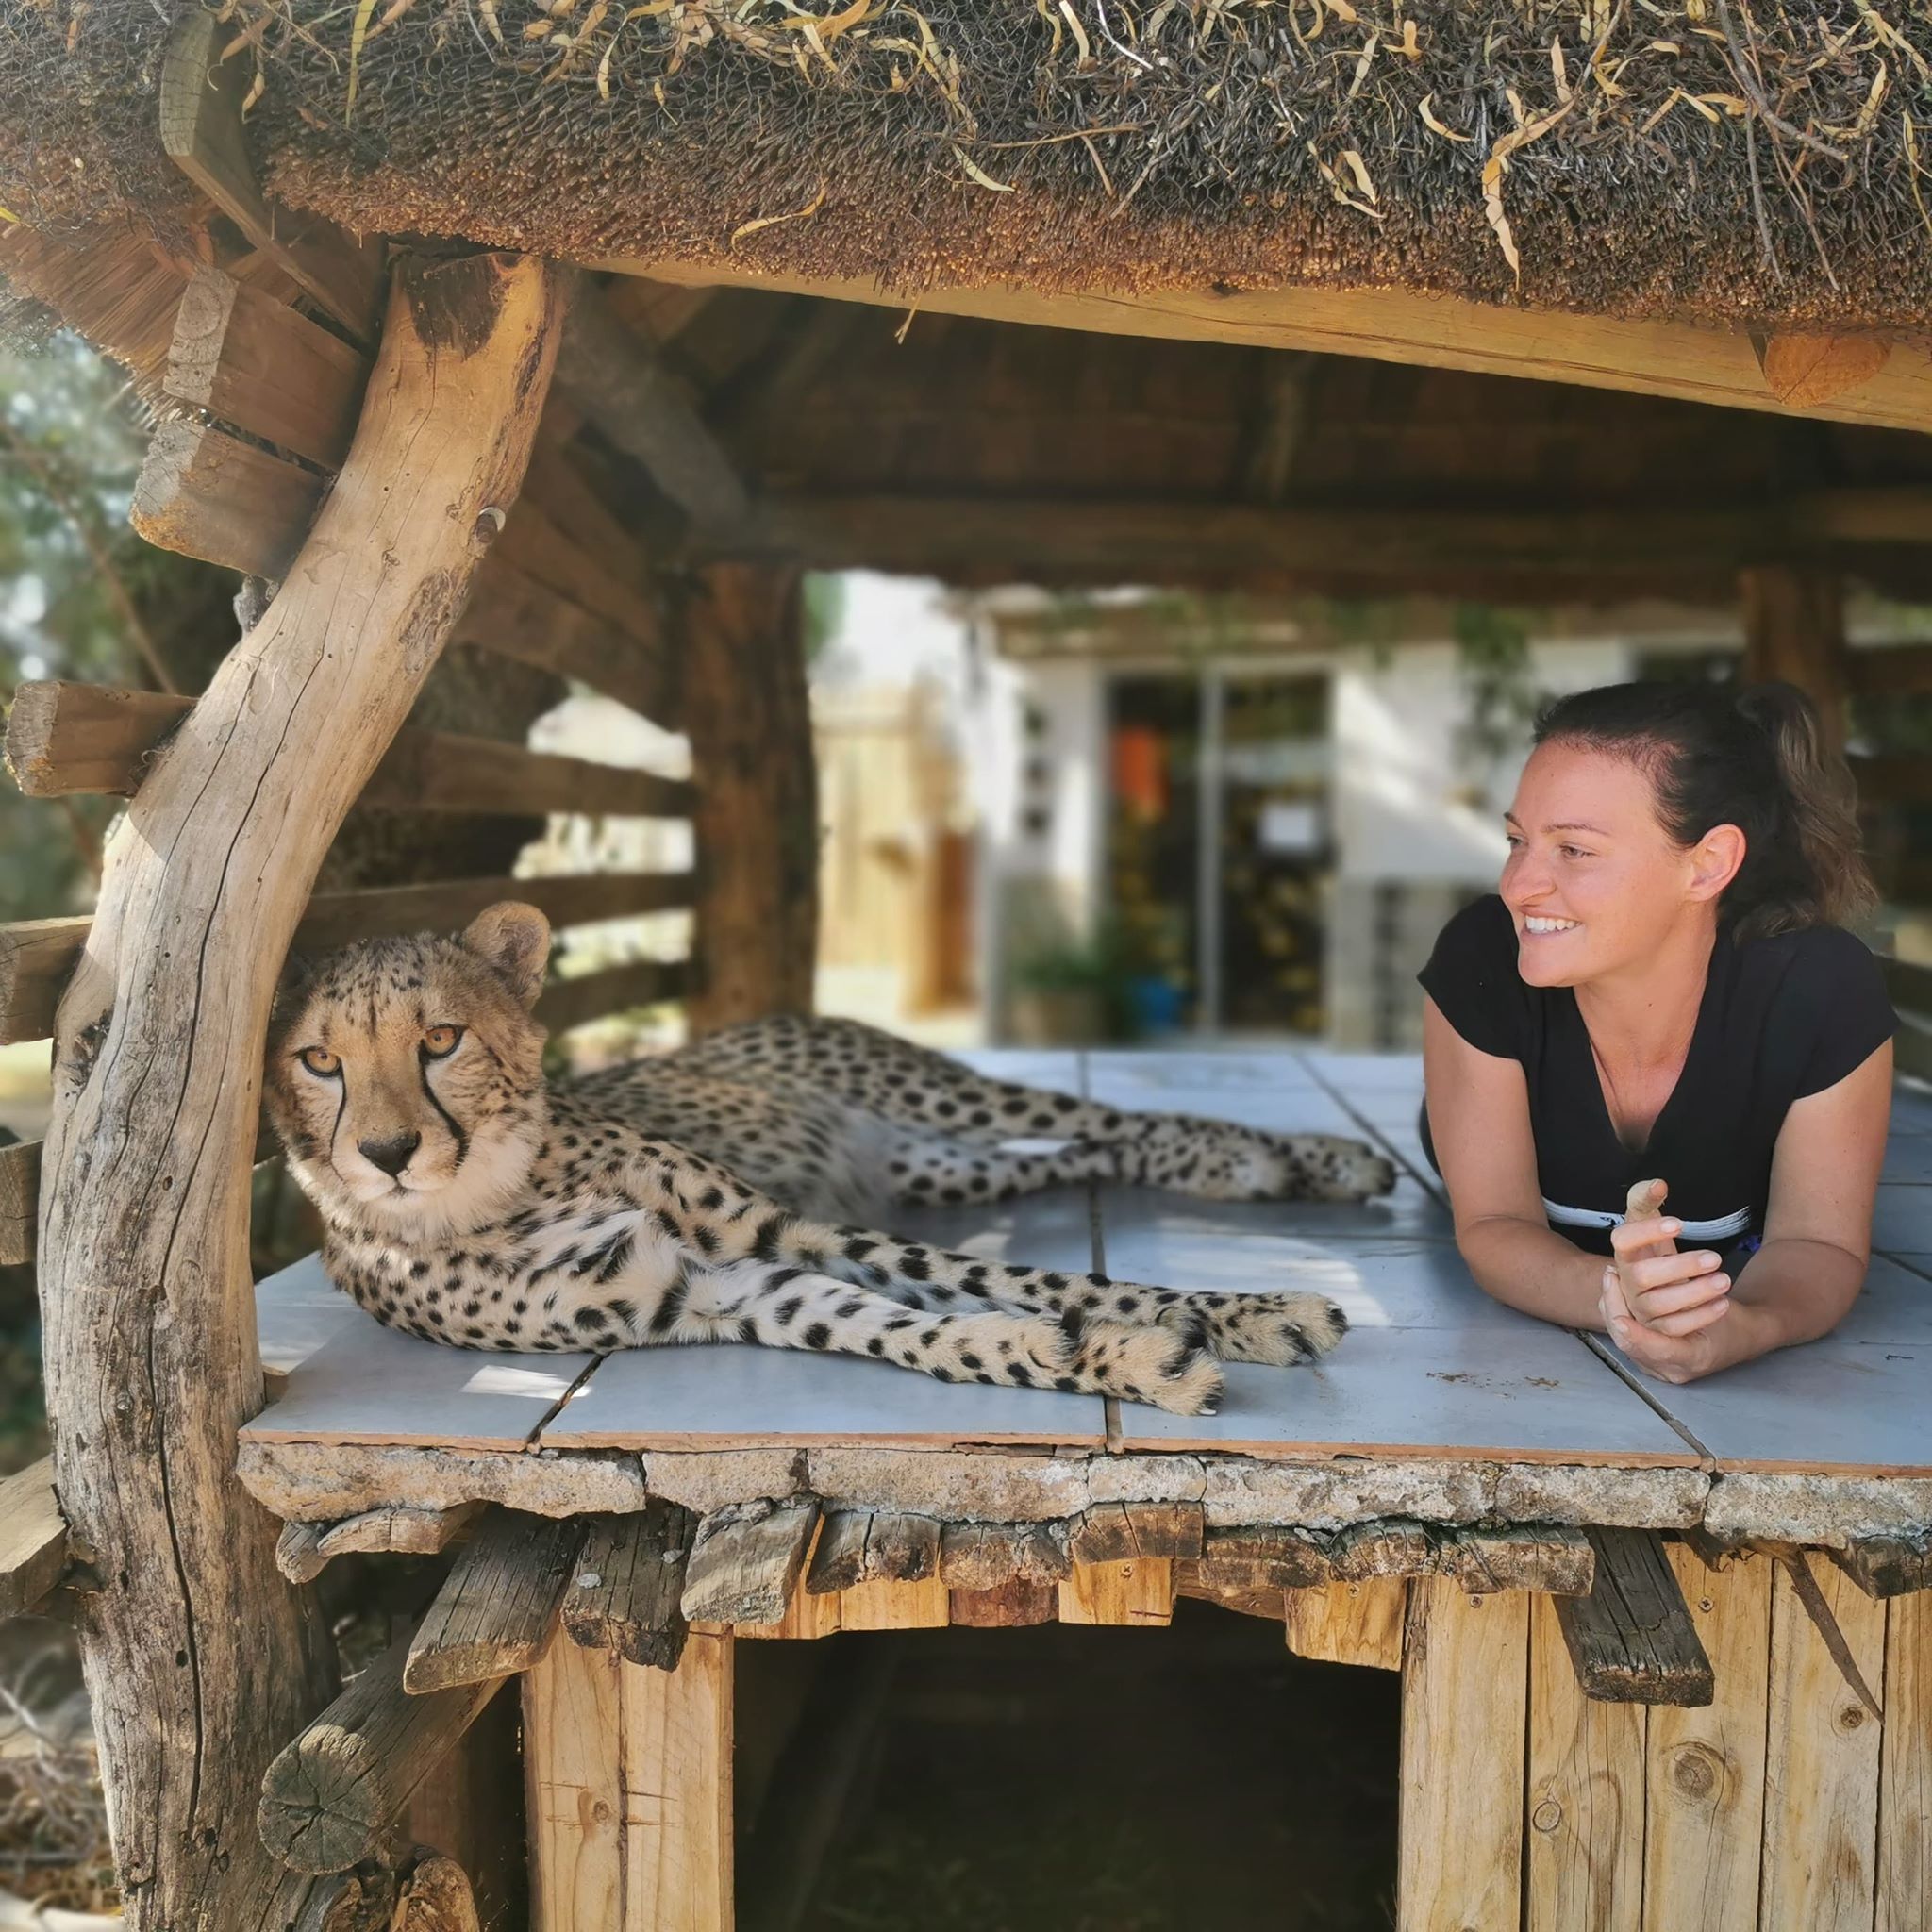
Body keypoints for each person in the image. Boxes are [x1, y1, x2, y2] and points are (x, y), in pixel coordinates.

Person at [1419, 679, 1894, 1385]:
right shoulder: (1484, 958)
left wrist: (1739, 1329)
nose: (1518, 885)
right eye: (1517, 840)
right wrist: (1623, 1301)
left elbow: (1819, 1243)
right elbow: (1494, 1227)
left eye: (1574, 850)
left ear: (1707, 865)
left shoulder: (1816, 990)